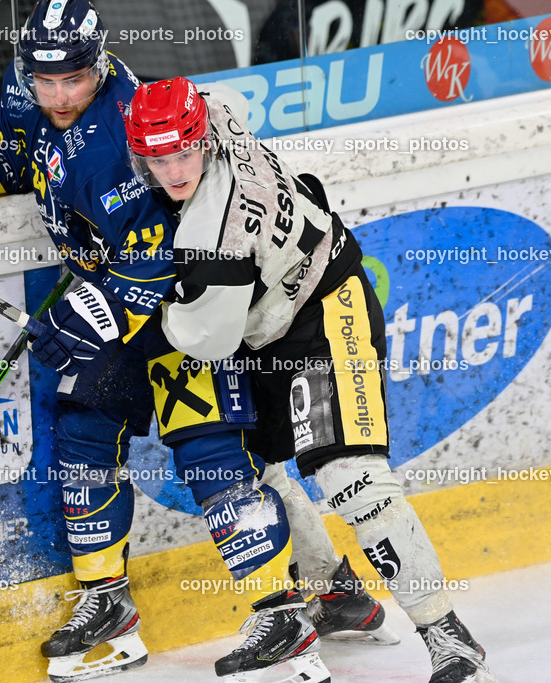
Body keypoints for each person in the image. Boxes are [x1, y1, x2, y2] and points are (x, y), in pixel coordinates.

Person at [0, 2, 391, 682]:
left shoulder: (122, 129)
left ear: (98, 65)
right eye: (45, 80)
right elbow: (22, 153)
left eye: (74, 80)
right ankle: (108, 604)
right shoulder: (27, 86)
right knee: (84, 430)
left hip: (187, 304)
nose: (58, 95)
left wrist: (95, 309)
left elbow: (165, 250)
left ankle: (283, 616)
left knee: (210, 449)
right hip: (114, 294)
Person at [125, 77, 498, 683]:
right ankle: (332, 595)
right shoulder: (217, 110)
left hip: (326, 309)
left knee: (352, 480)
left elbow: (206, 338)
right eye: (157, 157)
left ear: (202, 139)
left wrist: (133, 307)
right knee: (255, 469)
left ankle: (450, 638)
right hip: (263, 324)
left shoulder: (208, 232)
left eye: (182, 153)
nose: (172, 171)